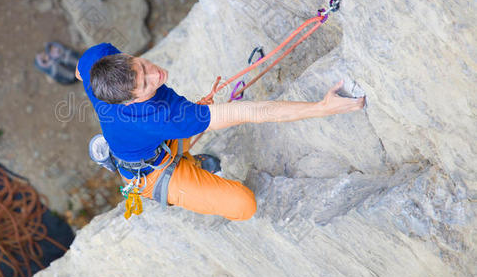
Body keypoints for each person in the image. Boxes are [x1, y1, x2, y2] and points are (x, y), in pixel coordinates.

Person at [76, 43, 365, 221]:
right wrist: (322, 107)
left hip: (150, 140)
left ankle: (145, 152)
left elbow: (80, 70)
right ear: (133, 99)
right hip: (151, 173)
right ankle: (185, 163)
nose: (156, 75)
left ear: (124, 57)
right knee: (244, 205)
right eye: (146, 84)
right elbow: (252, 113)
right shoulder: (165, 116)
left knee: (187, 124)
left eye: (142, 66)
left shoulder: (99, 63)